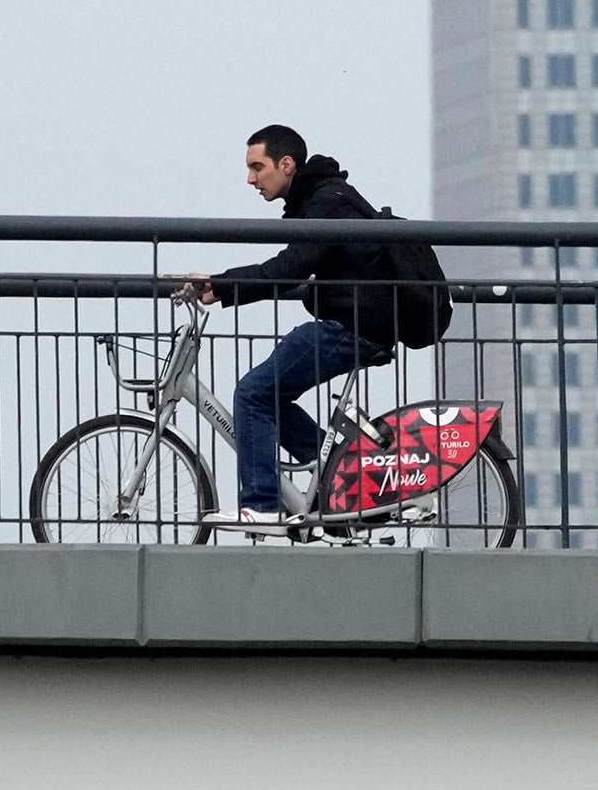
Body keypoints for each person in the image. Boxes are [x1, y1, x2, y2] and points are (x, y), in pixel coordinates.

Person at [179, 124, 437, 524]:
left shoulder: (327, 202)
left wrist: (225, 284)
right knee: (271, 397)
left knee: (252, 394)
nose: (250, 179)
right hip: (360, 322)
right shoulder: (322, 199)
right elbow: (300, 267)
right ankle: (342, 475)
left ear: (286, 164)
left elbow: (291, 266)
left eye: (257, 167)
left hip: (355, 327)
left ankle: (261, 506)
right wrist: (227, 288)